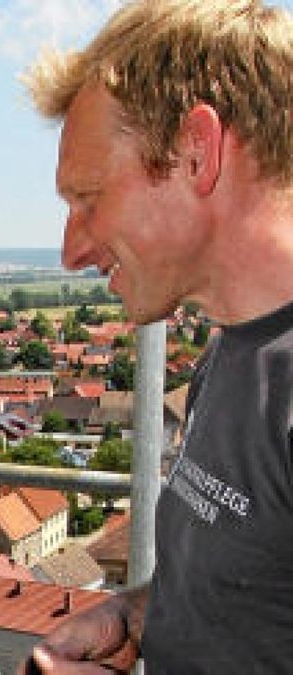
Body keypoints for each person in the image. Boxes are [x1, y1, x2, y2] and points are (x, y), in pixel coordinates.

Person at [22, 0, 293, 672]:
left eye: (88, 197)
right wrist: (131, 615)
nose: (71, 250)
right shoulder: (233, 353)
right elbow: (253, 593)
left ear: (196, 151)